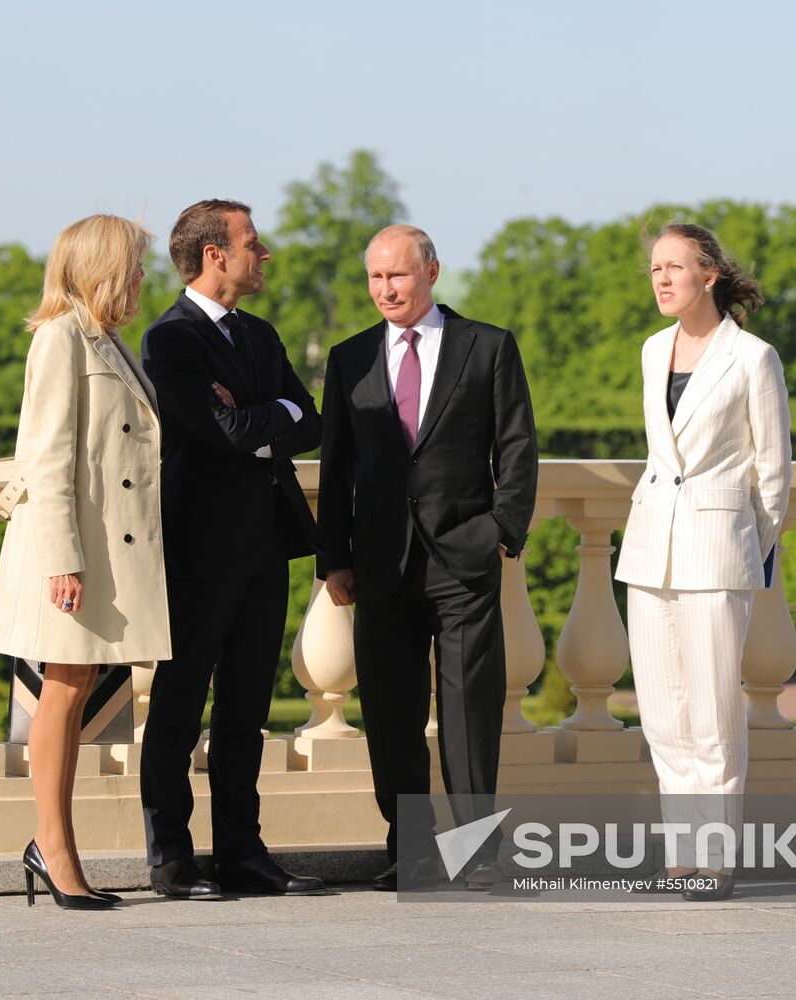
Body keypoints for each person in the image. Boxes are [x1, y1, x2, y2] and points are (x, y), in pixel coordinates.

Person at [317, 224, 539, 891]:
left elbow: (518, 447)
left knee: (470, 713)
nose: (386, 289)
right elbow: (336, 466)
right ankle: (409, 852)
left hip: (464, 559)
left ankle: (477, 854)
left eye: (399, 275)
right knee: (390, 715)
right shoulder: (349, 357)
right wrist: (334, 555)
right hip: (379, 563)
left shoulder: (488, 347)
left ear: (432, 272)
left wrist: (502, 529)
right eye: (375, 277)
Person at [139, 199, 325, 899]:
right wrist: (265, 416)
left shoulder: (260, 335)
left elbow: (308, 421)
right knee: (179, 707)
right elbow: (221, 430)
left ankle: (243, 855)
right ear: (216, 253)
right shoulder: (170, 340)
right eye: (253, 242)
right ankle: (171, 858)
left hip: (264, 546)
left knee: (246, 710)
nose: (264, 254)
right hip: (195, 549)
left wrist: (264, 416)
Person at [0, 214, 170, 910]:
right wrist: (63, 558)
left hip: (100, 552)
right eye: (136, 266)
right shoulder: (60, 339)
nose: (144, 279)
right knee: (59, 695)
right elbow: (48, 456)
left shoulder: (106, 340)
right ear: (103, 269)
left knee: (76, 687)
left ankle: (56, 847)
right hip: (71, 554)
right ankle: (53, 849)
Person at [615, 223, 792, 901]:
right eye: (654, 268)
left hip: (717, 555)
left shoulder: (754, 359)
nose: (661, 279)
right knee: (662, 714)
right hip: (648, 549)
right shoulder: (652, 349)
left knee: (715, 713)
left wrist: (742, 547)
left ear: (710, 275)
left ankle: (714, 860)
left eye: (675, 267)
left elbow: (773, 478)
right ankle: (680, 856)